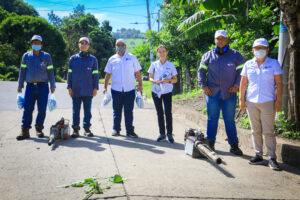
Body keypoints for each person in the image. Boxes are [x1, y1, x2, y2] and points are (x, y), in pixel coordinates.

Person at [198, 30, 245, 155]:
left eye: (222, 38)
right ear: (214, 40)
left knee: (229, 120)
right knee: (212, 119)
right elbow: (201, 72)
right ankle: (210, 143)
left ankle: (234, 145)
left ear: (227, 40)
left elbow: (242, 73)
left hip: (229, 93)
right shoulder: (208, 55)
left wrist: (236, 86)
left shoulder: (236, 55)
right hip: (212, 93)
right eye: (218, 38)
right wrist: (203, 86)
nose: (220, 41)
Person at [239, 38, 283, 170]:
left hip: (268, 101)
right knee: (255, 131)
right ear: (253, 50)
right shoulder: (248, 64)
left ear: (267, 50)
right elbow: (243, 83)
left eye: (262, 48)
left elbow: (280, 83)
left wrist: (279, 100)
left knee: (269, 131)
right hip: (251, 102)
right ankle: (258, 155)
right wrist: (241, 100)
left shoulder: (274, 63)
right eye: (257, 48)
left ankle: (272, 158)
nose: (260, 51)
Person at [17, 35, 56, 140]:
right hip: (30, 86)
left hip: (43, 86)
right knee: (28, 108)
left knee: (42, 109)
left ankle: (39, 129)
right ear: (31, 44)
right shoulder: (26, 56)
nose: (36, 44)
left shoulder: (47, 56)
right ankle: (25, 130)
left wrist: (53, 85)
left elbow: (51, 72)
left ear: (41, 44)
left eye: (38, 43)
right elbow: (22, 71)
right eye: (34, 42)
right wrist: (20, 85)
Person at [103, 39, 143, 138]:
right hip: (116, 89)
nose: (120, 46)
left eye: (122, 45)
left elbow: (137, 73)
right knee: (116, 111)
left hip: (129, 89)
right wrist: (105, 87)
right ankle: (116, 129)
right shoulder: (112, 59)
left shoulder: (132, 57)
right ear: (115, 47)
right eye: (118, 45)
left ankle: (130, 131)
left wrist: (140, 85)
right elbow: (108, 74)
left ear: (125, 46)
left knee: (129, 111)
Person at [67, 37, 99, 138]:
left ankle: (87, 129)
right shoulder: (73, 59)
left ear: (88, 46)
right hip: (75, 89)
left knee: (87, 111)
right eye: (82, 43)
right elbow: (69, 74)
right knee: (75, 111)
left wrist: (95, 88)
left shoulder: (93, 59)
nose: (84, 45)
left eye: (86, 43)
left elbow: (96, 75)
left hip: (88, 90)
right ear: (78, 45)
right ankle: (75, 130)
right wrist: (69, 87)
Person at [148, 45, 178, 143]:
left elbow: (175, 79)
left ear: (167, 52)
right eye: (160, 52)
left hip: (167, 92)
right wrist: (154, 81)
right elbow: (150, 77)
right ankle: (162, 134)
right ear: (157, 53)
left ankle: (169, 134)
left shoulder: (171, 65)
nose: (162, 53)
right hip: (156, 91)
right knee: (159, 113)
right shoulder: (154, 64)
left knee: (168, 113)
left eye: (163, 51)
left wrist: (168, 80)